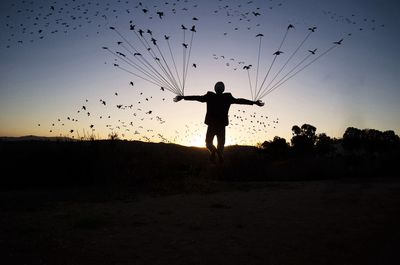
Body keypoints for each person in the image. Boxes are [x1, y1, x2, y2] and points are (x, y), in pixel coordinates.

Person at [174, 81, 264, 163]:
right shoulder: (227, 97)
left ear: (215, 89)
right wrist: (253, 102)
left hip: (212, 124)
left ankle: (213, 151)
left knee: (208, 142)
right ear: (223, 89)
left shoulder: (210, 96)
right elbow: (240, 101)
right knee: (221, 144)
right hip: (221, 125)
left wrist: (183, 97)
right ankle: (220, 154)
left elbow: (197, 98)